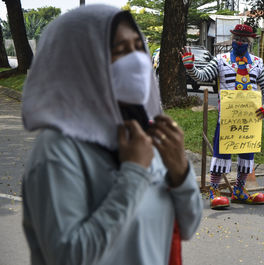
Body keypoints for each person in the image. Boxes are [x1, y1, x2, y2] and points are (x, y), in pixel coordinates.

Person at [21, 5, 202, 265]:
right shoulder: (58, 151)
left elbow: (188, 225)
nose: (137, 60)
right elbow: (68, 257)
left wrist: (180, 172)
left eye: (138, 47)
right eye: (120, 50)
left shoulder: (143, 132)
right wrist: (134, 174)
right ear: (82, 62)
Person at [181, 24, 264, 210]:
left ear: (249, 42)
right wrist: (190, 67)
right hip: (227, 118)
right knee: (221, 153)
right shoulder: (220, 60)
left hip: (250, 120)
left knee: (247, 154)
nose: (239, 42)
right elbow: (202, 76)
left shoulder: (257, 62)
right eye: (236, 39)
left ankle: (239, 190)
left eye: (243, 40)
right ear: (232, 40)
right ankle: (214, 191)